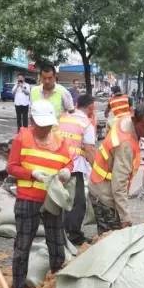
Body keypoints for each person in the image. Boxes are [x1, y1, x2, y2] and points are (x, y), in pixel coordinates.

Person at [7, 100, 73, 288]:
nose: (44, 129)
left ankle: (56, 282)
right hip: (28, 199)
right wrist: (31, 173)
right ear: (32, 121)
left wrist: (66, 172)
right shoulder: (22, 139)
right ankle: (18, 287)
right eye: (40, 125)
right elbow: (11, 167)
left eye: (47, 125)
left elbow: (68, 162)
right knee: (23, 243)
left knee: (56, 242)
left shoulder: (60, 142)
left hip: (51, 200)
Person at [89, 103, 144, 234]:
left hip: (99, 185)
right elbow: (119, 185)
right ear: (134, 120)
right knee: (111, 239)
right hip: (105, 194)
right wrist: (125, 217)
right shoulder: (125, 144)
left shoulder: (123, 120)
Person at [57, 94, 97, 245]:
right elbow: (90, 149)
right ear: (91, 107)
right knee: (77, 202)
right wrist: (96, 169)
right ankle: (73, 235)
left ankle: (59, 230)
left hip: (57, 164)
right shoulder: (86, 123)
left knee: (59, 198)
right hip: (74, 166)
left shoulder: (64, 117)